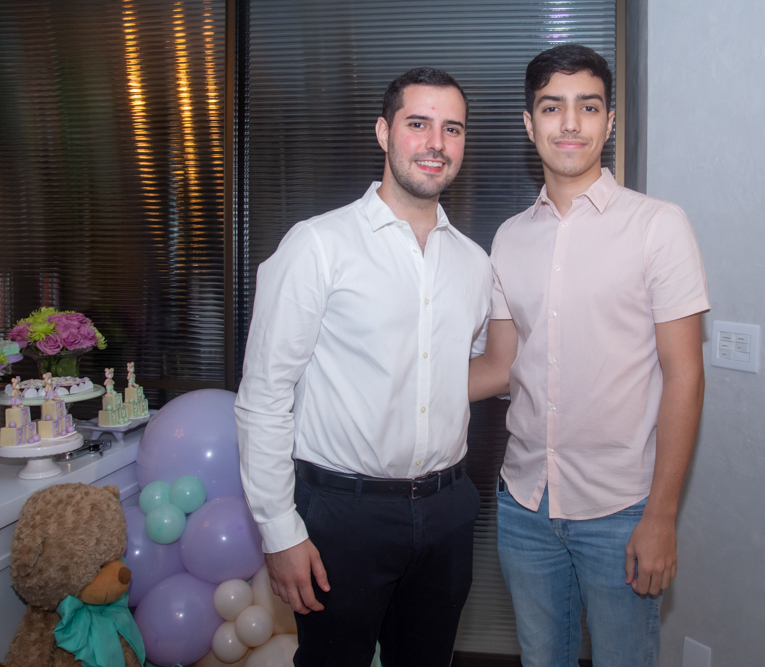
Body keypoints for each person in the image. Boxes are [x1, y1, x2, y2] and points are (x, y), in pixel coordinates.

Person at [235, 68, 490, 667]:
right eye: (418, 123)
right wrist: (279, 529)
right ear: (383, 132)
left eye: (452, 129)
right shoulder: (318, 245)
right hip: (342, 515)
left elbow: (460, 371)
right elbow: (265, 395)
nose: (436, 143)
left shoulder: (474, 263)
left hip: (448, 510)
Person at [469, 44, 709, 666]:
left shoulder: (658, 226)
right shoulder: (509, 238)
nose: (570, 123)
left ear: (609, 122)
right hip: (524, 502)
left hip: (621, 509)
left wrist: (661, 515)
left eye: (588, 106)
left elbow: (684, 376)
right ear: (530, 124)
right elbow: (498, 366)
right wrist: (395, 379)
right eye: (552, 107)